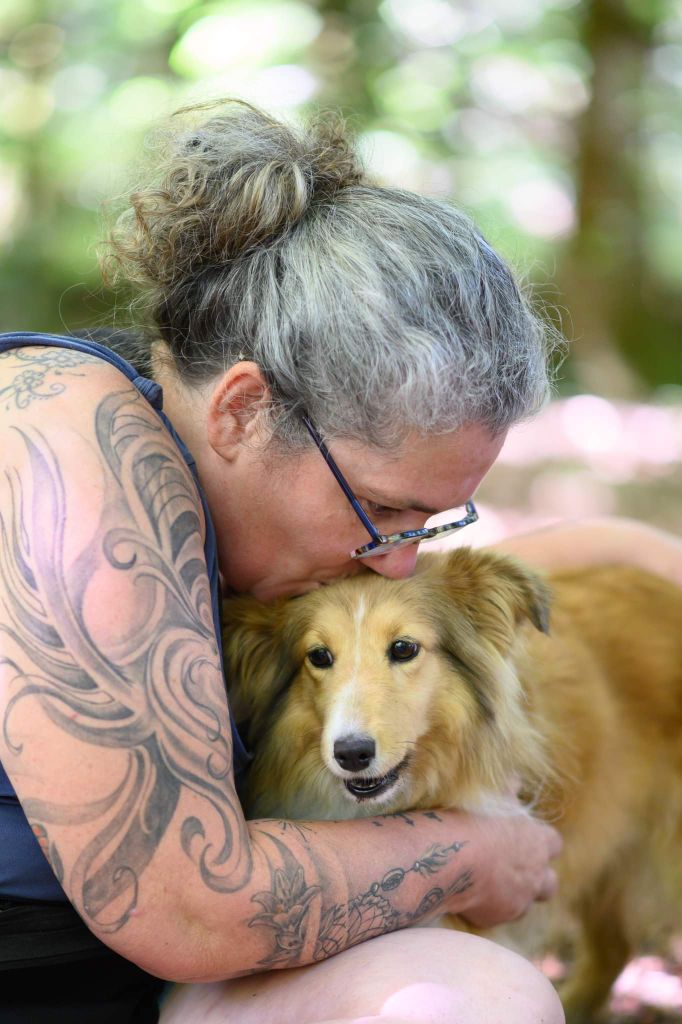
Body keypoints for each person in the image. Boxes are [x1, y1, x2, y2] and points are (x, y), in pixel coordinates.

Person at [0, 99, 678, 1024]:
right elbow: (188, 911)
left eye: (426, 524)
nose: (396, 564)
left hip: (132, 978)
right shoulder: (79, 472)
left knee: (479, 995)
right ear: (244, 411)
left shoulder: (208, 455)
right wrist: (472, 852)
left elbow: (461, 588)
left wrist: (642, 551)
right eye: (383, 509)